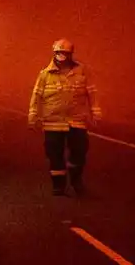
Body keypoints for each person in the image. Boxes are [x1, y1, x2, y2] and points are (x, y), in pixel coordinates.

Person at [27, 38, 102, 196]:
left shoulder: (82, 71)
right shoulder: (44, 75)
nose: (62, 56)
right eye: (59, 53)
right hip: (52, 123)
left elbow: (92, 93)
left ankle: (76, 180)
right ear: (54, 54)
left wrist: (96, 112)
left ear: (70, 54)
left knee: (79, 151)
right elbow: (36, 96)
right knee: (55, 155)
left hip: (76, 121)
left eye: (65, 53)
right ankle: (58, 185)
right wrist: (32, 117)